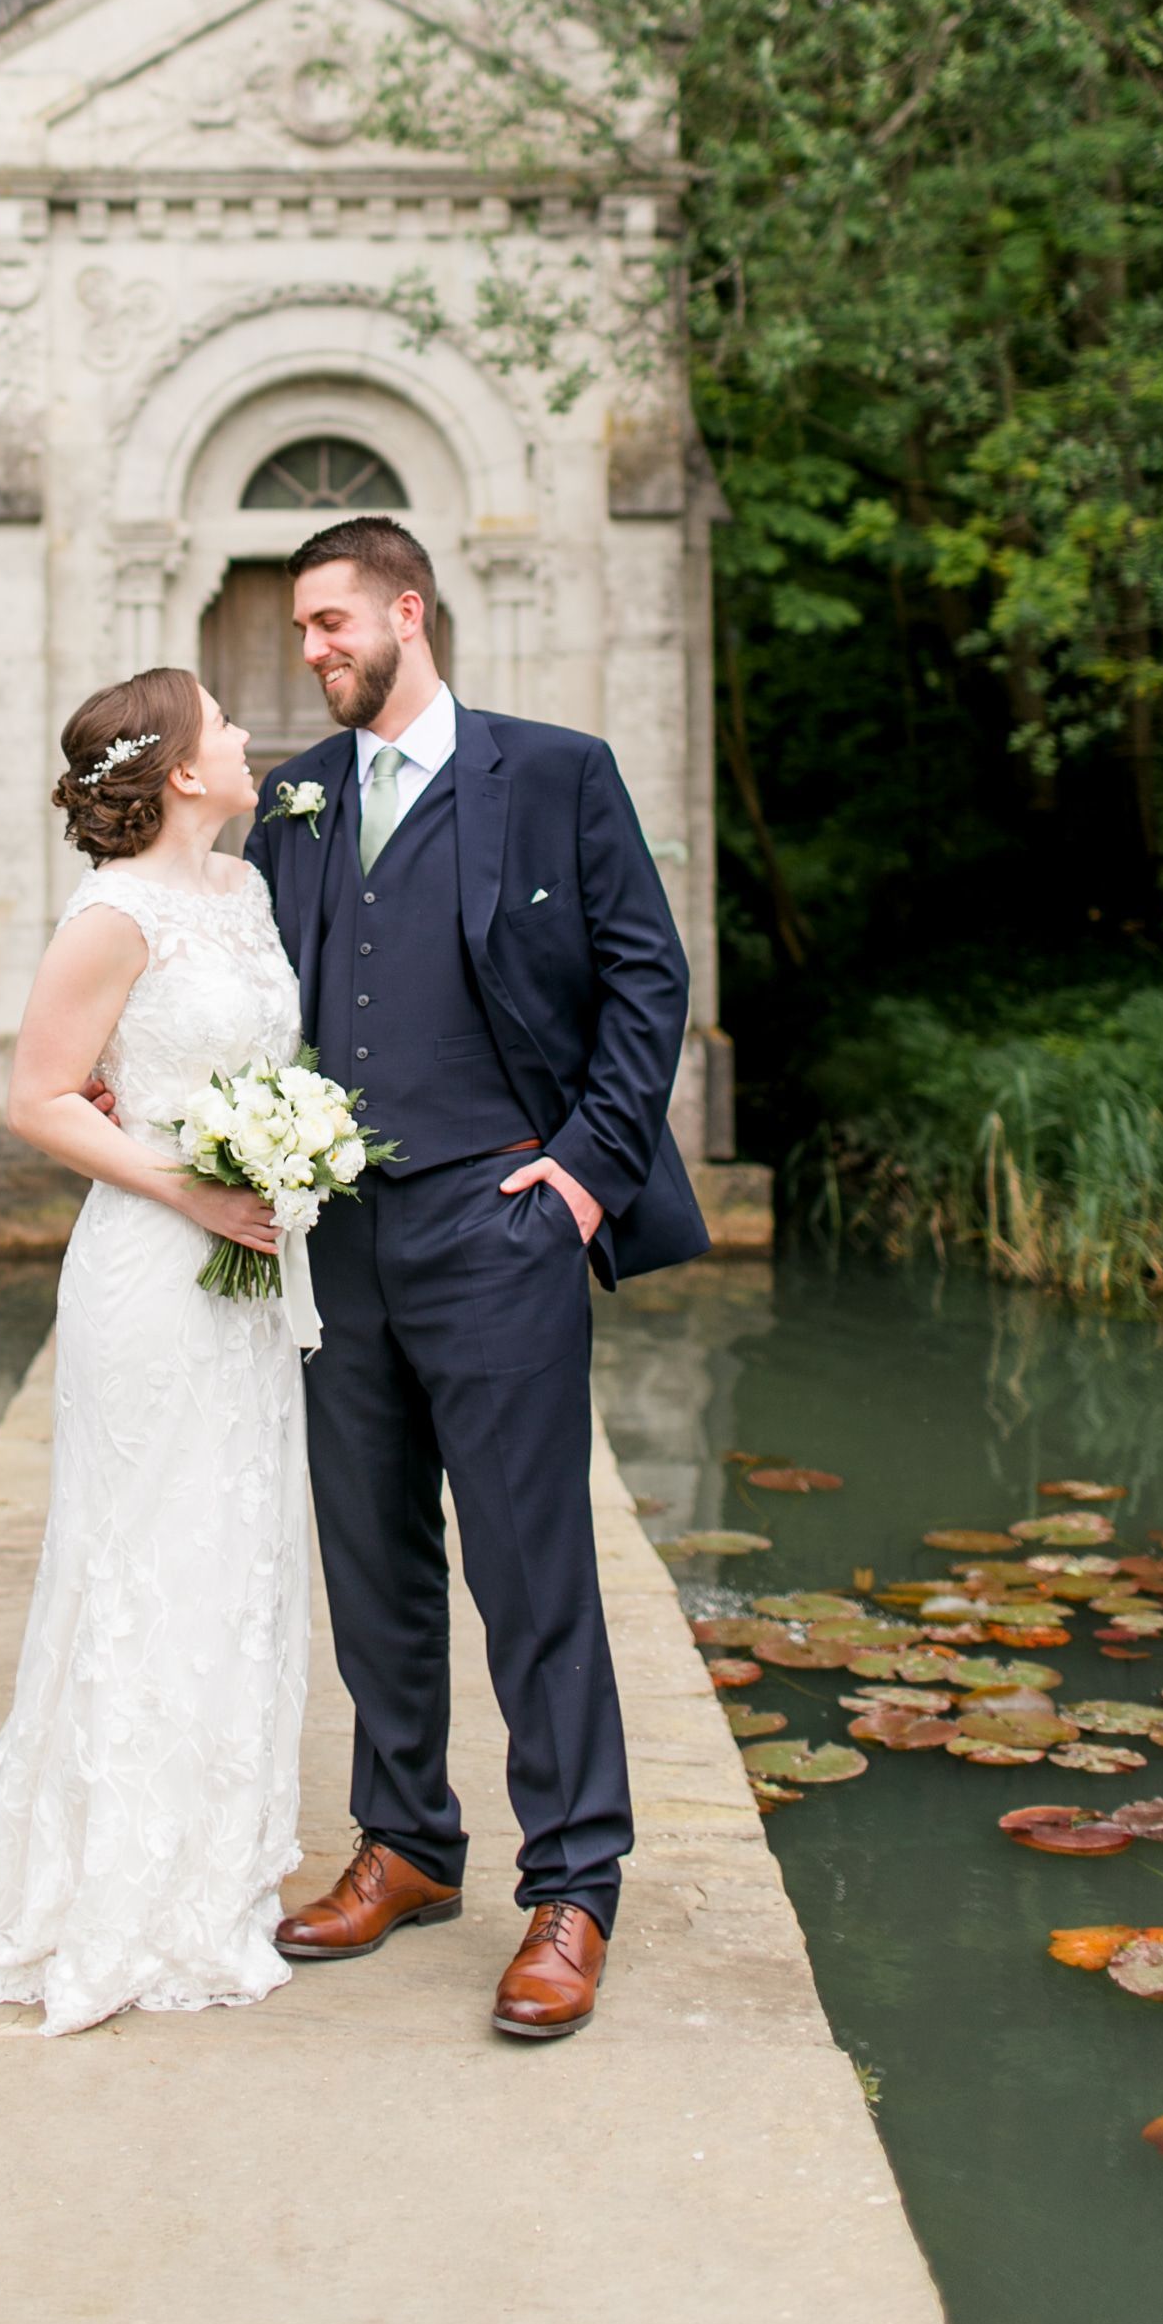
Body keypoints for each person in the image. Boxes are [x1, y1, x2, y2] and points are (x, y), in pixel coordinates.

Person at [247, 516, 706, 2041]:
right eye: (302, 630)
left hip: (499, 1225)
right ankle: (409, 1847)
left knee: (529, 1569)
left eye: (328, 624)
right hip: (340, 1237)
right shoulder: (295, 800)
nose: (310, 651)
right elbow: (251, 989)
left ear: (406, 611)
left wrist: (584, 1169)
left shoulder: (554, 772)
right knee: (373, 1568)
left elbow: (650, 972)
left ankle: (573, 1888)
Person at [0, 665, 311, 2037]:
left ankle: (215, 1847)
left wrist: (284, 1161)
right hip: (154, 1270)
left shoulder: (248, 895)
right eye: (224, 727)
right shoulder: (111, 914)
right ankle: (113, 1873)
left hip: (249, 1280)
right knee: (146, 1547)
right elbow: (36, 1098)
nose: (243, 739)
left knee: (236, 1547)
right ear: (178, 770)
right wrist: (195, 1187)